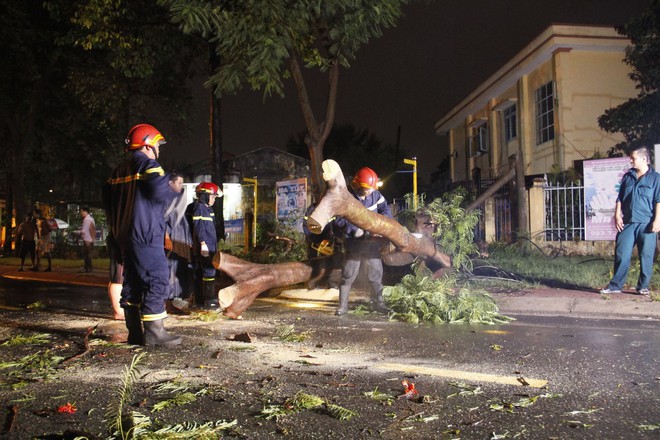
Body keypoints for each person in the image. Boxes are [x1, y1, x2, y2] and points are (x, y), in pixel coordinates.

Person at [104, 123, 183, 346]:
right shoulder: (149, 165)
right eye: (157, 144)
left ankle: (134, 333)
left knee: (133, 283)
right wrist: (174, 188)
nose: (159, 149)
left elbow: (108, 203)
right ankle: (155, 333)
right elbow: (160, 193)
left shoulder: (117, 172)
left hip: (124, 237)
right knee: (157, 280)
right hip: (146, 235)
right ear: (148, 144)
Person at [600, 146, 660, 296]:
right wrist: (617, 215)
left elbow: (659, 201)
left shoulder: (656, 178)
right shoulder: (628, 176)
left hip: (646, 223)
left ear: (644, 159)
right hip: (627, 223)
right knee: (622, 253)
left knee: (646, 256)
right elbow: (620, 197)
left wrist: (657, 221)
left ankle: (643, 286)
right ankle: (615, 285)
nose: (631, 161)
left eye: (633, 158)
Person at [334, 167, 392, 315]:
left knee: (376, 273)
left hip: (371, 242)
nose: (370, 192)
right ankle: (342, 307)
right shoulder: (346, 196)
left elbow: (385, 209)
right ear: (357, 185)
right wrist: (353, 229)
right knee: (348, 273)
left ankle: (378, 303)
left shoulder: (375, 194)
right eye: (367, 189)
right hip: (354, 243)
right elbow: (337, 219)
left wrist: (384, 224)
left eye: (372, 188)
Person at [187, 182, 222, 310]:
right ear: (204, 196)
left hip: (209, 245)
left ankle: (200, 302)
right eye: (212, 196)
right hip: (205, 245)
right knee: (208, 272)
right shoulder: (200, 208)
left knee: (200, 272)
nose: (213, 199)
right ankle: (210, 302)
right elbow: (199, 227)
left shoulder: (206, 208)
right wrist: (203, 244)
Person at [164, 171, 194, 314]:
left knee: (182, 269)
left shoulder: (180, 199)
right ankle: (169, 301)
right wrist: (166, 236)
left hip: (182, 240)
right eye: (179, 183)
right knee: (171, 269)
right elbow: (163, 219)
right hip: (173, 240)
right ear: (171, 183)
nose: (181, 185)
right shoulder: (166, 199)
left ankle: (179, 300)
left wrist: (188, 240)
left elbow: (184, 222)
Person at [80, 206, 96, 273]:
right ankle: (89, 268)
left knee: (86, 254)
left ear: (85, 211)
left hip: (87, 239)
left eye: (81, 211)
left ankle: (87, 268)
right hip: (91, 239)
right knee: (89, 254)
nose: (81, 213)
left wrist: (79, 234)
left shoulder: (86, 219)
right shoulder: (91, 219)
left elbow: (84, 230)